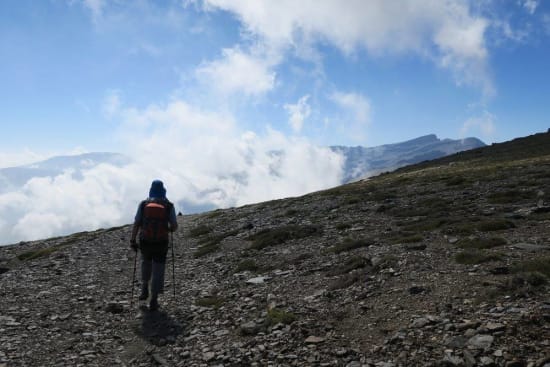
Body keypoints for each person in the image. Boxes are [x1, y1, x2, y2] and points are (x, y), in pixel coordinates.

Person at [130, 180, 178, 311]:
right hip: (161, 243)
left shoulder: (143, 204)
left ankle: (144, 287)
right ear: (163, 190)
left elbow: (137, 223)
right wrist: (166, 230)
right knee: (158, 268)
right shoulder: (169, 205)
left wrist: (132, 240)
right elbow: (174, 226)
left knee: (146, 262)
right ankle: (154, 299)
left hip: (145, 241)